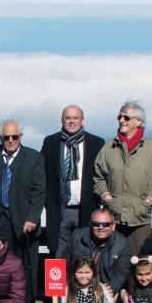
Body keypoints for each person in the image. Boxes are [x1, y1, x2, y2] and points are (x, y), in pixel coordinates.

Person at [93, 100, 152, 255]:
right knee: (113, 263)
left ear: (139, 121)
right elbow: (98, 178)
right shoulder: (109, 147)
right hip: (114, 218)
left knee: (140, 264)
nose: (121, 120)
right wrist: (107, 197)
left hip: (141, 219)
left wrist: (148, 202)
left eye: (126, 117)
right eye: (120, 117)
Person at [0, 119, 46, 300]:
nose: (11, 140)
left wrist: (33, 218)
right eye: (6, 137)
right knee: (1, 262)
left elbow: (39, 191)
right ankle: (3, 301)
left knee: (25, 265)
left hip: (25, 221)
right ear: (0, 137)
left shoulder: (34, 157)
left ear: (21, 137)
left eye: (15, 137)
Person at [41, 105, 106, 259]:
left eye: (75, 118)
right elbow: (42, 174)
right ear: (62, 120)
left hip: (86, 208)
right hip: (59, 210)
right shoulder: (51, 142)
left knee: (84, 255)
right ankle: (60, 284)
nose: (71, 121)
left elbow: (102, 175)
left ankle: (82, 284)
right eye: (68, 118)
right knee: (59, 255)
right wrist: (47, 202)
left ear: (82, 120)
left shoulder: (96, 143)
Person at [67, 208, 133, 293]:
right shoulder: (77, 236)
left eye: (106, 224)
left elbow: (121, 274)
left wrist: (107, 290)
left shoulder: (122, 244)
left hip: (105, 287)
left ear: (113, 226)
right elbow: (65, 263)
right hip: (78, 284)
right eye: (96, 224)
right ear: (90, 224)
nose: (101, 227)